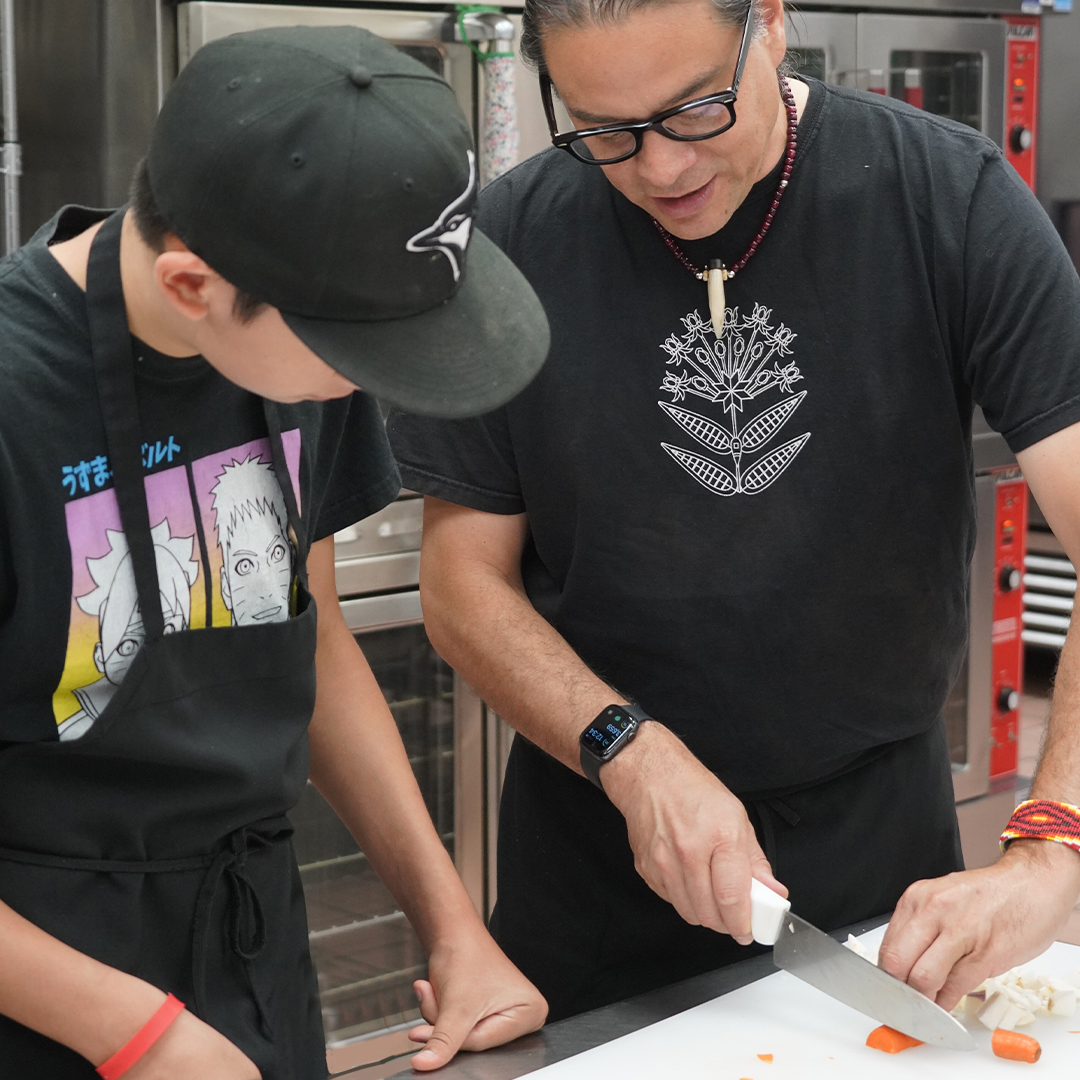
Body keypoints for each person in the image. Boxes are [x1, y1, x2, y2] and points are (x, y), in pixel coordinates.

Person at [386, 0, 1080, 1024]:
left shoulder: (947, 196)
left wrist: (1049, 844)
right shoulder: (513, 244)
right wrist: (627, 748)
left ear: (769, 23)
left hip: (879, 856)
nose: (661, 170)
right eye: (606, 131)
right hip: (599, 848)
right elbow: (459, 585)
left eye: (695, 110)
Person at [0, 25, 550, 1080]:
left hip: (251, 942)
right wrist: (141, 1036)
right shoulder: (16, 401)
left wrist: (453, 926)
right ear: (195, 284)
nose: (366, 381)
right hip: (41, 983)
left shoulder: (301, 355)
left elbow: (310, 637)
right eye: (354, 351)